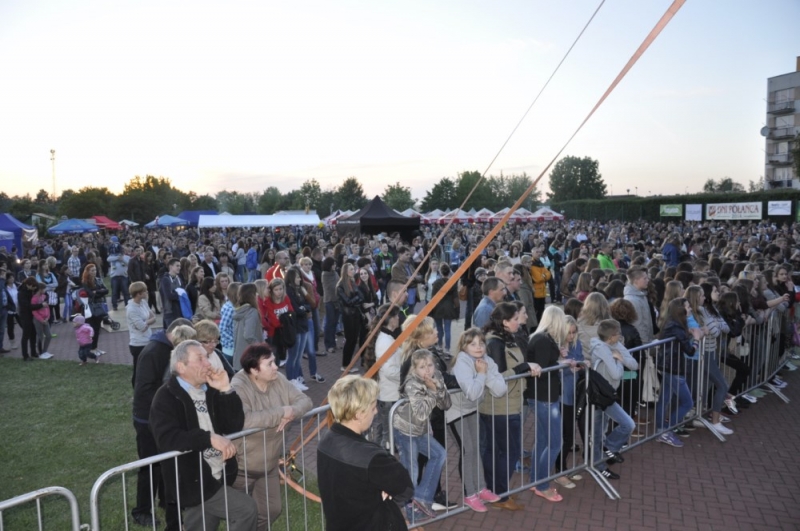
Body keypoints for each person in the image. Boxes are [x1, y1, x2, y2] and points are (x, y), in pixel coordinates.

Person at [149, 340, 258, 530]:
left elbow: (234, 425)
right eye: (200, 359)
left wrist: (225, 389)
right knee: (246, 509)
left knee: (202, 525)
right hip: (193, 479)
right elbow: (167, 438)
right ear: (181, 366)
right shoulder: (166, 396)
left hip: (219, 473)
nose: (208, 363)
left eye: (207, 358)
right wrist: (208, 438)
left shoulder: (211, 390)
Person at [230, 343, 313, 528]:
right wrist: (281, 412)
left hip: (269, 464)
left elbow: (305, 401)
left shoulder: (278, 379)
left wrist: (292, 411)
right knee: (242, 515)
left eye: (274, 361)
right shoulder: (238, 385)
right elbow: (244, 419)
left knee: (272, 510)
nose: (276, 367)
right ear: (254, 370)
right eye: (269, 364)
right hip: (242, 467)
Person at [317, 375, 414, 531]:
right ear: (359, 414)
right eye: (373, 407)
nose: (376, 412)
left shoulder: (326, 440)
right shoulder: (373, 458)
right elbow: (405, 488)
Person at [130, 318, 195, 528]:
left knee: (166, 462)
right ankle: (141, 511)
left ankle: (166, 501)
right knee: (150, 466)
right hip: (147, 419)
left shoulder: (165, 349)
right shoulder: (153, 352)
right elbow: (142, 389)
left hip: (161, 417)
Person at [481, 302, 540, 511]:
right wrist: (525, 366)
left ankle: (497, 492)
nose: (519, 322)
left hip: (506, 403)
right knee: (508, 452)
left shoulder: (504, 338)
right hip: (500, 406)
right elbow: (499, 377)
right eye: (515, 319)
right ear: (505, 322)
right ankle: (499, 494)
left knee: (498, 451)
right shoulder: (495, 343)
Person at [446, 328, 505, 512]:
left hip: (471, 409)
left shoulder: (487, 360)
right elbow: (472, 392)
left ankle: (480, 488)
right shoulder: (462, 361)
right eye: (472, 344)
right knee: (468, 450)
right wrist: (481, 375)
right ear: (464, 347)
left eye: (481, 343)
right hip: (456, 411)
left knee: (476, 448)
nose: (478, 347)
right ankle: (469, 494)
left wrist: (484, 375)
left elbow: (500, 390)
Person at [392, 349, 451, 522]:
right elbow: (421, 413)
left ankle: (421, 497)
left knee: (439, 454)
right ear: (414, 368)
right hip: (405, 430)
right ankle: (410, 514)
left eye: (430, 365)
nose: (427, 370)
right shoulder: (411, 383)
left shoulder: (436, 376)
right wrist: (433, 391)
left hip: (420, 430)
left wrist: (438, 387)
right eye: (422, 367)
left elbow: (446, 404)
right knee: (412, 471)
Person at [526, 305, 570, 502]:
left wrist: (559, 357)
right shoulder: (543, 339)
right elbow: (542, 370)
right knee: (554, 442)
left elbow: (543, 364)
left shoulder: (542, 338)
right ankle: (542, 484)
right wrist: (562, 363)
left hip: (544, 396)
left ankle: (536, 480)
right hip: (544, 397)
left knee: (544, 441)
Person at [589, 319, 638, 481]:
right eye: (618, 334)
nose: (621, 336)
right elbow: (616, 374)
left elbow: (634, 364)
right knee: (627, 424)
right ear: (611, 336)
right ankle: (602, 459)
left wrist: (620, 358)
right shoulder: (601, 348)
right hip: (600, 396)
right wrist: (618, 360)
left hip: (608, 395)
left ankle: (601, 457)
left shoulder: (616, 345)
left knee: (600, 431)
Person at [655, 298, 699, 448]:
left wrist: (689, 334)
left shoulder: (672, 323)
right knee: (687, 402)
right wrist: (696, 339)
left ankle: (661, 431)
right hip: (673, 368)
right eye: (688, 306)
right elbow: (690, 351)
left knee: (664, 400)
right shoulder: (675, 326)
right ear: (680, 310)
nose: (690, 309)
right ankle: (666, 431)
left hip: (667, 366)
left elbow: (681, 340)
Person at [127, 281, 156, 387]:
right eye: (144, 291)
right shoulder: (131, 309)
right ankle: (136, 388)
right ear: (138, 294)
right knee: (138, 369)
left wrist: (146, 322)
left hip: (147, 340)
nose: (147, 292)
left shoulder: (143, 302)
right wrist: (147, 322)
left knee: (148, 368)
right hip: (138, 344)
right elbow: (142, 327)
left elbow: (153, 317)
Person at [337, 262, 365, 373]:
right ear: (346, 271)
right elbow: (347, 302)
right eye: (351, 269)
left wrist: (356, 299)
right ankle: (345, 364)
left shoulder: (352, 282)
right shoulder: (340, 286)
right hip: (348, 316)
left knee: (354, 340)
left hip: (355, 314)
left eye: (353, 269)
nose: (353, 271)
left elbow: (361, 296)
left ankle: (348, 364)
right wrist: (357, 299)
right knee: (350, 340)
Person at [430, 263, 460, 354]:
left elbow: (433, 298)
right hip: (449, 308)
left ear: (440, 272)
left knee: (439, 328)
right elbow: (456, 299)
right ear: (449, 271)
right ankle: (447, 349)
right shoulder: (452, 283)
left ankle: (439, 345)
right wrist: (457, 311)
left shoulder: (436, 283)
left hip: (438, 308)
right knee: (448, 329)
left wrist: (431, 310)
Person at [233, 283, 263, 371]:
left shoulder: (239, 310)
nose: (257, 295)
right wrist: (260, 346)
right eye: (256, 292)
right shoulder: (251, 312)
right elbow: (248, 335)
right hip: (250, 354)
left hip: (241, 353)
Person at [80, 263, 108, 358]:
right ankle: (91, 348)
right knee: (92, 329)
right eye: (92, 270)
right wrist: (99, 292)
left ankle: (95, 347)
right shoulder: (85, 282)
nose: (94, 272)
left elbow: (106, 290)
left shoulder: (98, 280)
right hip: (90, 308)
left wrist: (97, 292)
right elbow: (91, 294)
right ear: (87, 272)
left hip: (99, 306)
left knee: (97, 328)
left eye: (95, 270)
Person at [159, 258, 184, 328]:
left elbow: (183, 292)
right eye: (177, 266)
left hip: (179, 310)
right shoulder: (165, 279)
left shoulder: (179, 279)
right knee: (171, 332)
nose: (179, 268)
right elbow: (169, 295)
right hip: (169, 312)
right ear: (171, 266)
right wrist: (179, 295)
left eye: (180, 266)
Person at [31, 282, 53, 359]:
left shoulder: (44, 296)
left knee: (49, 335)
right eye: (44, 289)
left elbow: (47, 308)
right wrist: (41, 319)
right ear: (40, 289)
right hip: (38, 320)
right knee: (40, 336)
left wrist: (47, 317)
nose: (45, 290)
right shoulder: (34, 298)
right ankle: (40, 353)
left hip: (45, 319)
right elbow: (34, 311)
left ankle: (44, 351)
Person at [108, 242, 130, 311]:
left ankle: (127, 304)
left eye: (123, 250)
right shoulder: (112, 256)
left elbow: (128, 264)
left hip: (124, 276)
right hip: (114, 277)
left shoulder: (127, 257)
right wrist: (118, 257)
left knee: (126, 291)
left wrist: (122, 259)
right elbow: (108, 259)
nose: (122, 251)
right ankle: (114, 305)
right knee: (114, 292)